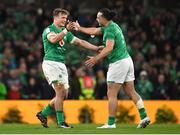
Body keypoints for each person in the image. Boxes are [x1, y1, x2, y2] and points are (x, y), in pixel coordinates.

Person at [73, 8, 150, 128]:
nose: (96, 19)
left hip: (118, 63)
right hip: (127, 60)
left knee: (111, 93)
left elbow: (109, 48)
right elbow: (94, 30)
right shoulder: (113, 26)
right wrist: (80, 28)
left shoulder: (109, 30)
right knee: (131, 91)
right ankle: (144, 116)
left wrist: (95, 58)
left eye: (98, 17)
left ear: (104, 18)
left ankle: (111, 123)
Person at [37, 8, 102, 128]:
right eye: (62, 18)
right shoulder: (49, 30)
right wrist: (66, 30)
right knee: (60, 92)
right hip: (51, 63)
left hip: (61, 64)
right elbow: (53, 39)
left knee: (64, 95)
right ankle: (61, 122)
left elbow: (80, 42)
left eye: (66, 18)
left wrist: (96, 48)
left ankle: (43, 113)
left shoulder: (64, 31)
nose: (65, 20)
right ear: (55, 17)